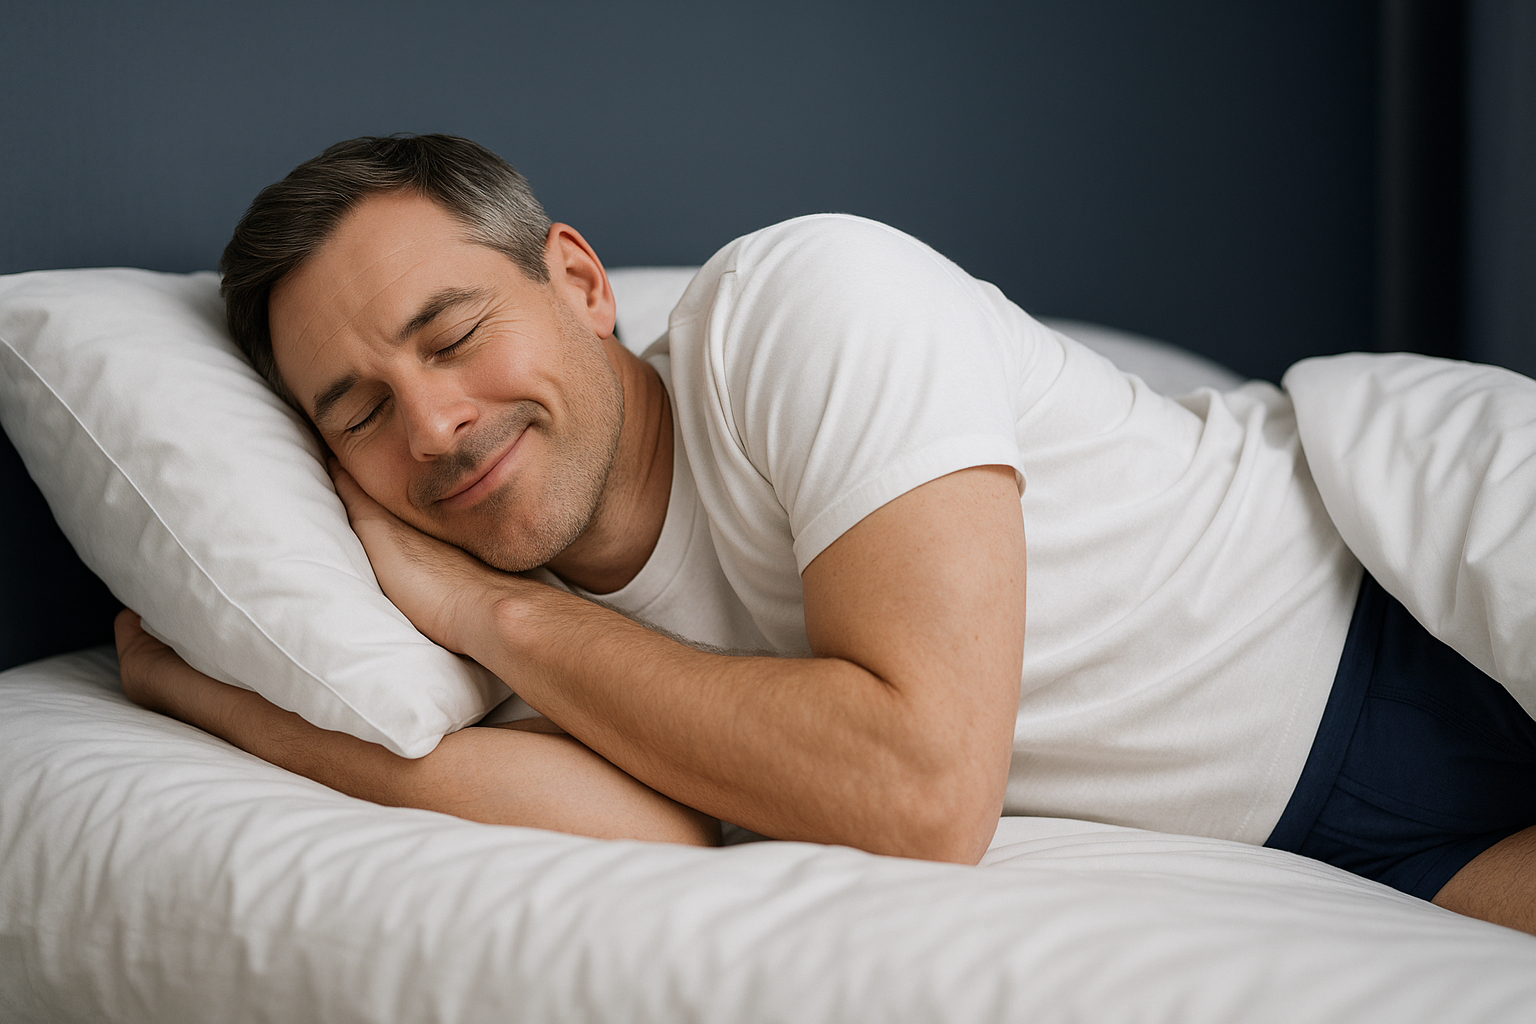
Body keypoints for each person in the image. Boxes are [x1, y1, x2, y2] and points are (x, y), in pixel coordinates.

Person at [116, 134, 1536, 933]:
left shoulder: (807, 303)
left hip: (1394, 614)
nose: (432, 425)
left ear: (581, 283)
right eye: (360, 411)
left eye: (452, 334)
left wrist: (502, 616)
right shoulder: (493, 630)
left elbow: (921, 795)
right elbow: (642, 832)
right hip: (1332, 842)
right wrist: (219, 701)